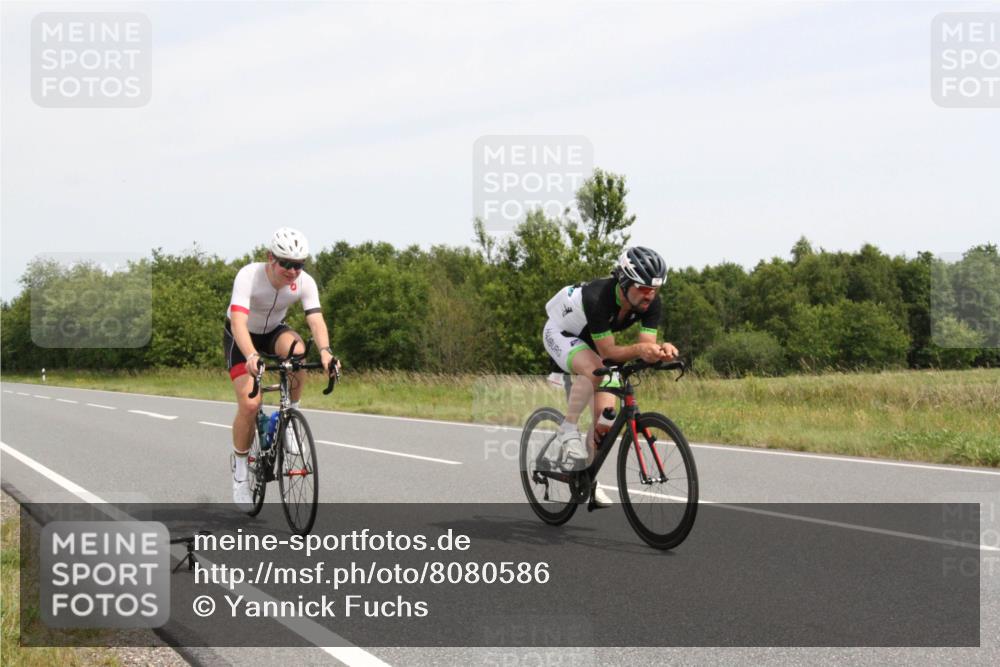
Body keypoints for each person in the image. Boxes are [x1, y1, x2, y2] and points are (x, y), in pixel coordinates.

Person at [542, 246, 679, 507]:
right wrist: (641, 349)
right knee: (595, 368)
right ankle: (567, 428)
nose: (650, 294)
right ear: (625, 282)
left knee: (605, 421)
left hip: (592, 343)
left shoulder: (651, 302)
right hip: (561, 333)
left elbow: (645, 344)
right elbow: (608, 352)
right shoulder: (598, 297)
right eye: (643, 287)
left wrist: (661, 351)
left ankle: (587, 480)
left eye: (655, 288)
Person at [223, 228, 338, 509]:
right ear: (270, 258)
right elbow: (238, 321)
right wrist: (250, 355)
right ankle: (240, 474)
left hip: (274, 331)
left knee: (299, 352)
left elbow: (316, 320)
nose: (292, 271)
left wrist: (325, 352)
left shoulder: (305, 282)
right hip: (242, 337)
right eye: (286, 263)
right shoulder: (249, 275)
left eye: (299, 265)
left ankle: (290, 413)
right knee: (251, 406)